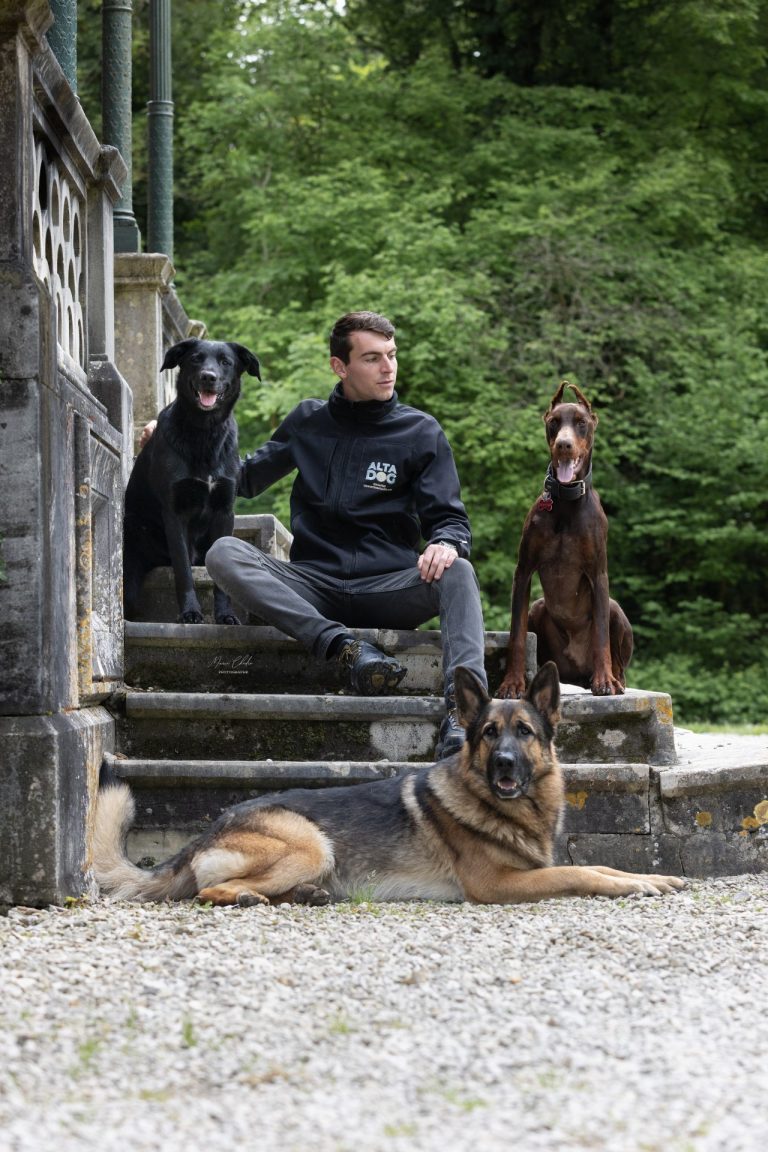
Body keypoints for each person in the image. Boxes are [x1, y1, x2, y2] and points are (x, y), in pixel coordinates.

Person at [204, 311, 487, 759]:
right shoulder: (308, 421)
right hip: (313, 585)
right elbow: (242, 478)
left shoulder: (421, 432)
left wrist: (446, 543)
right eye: (373, 358)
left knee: (460, 572)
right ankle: (345, 648)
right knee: (223, 552)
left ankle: (465, 716)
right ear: (340, 366)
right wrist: (179, 441)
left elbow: (450, 519)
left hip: (387, 587)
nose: (388, 367)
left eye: (392, 355)